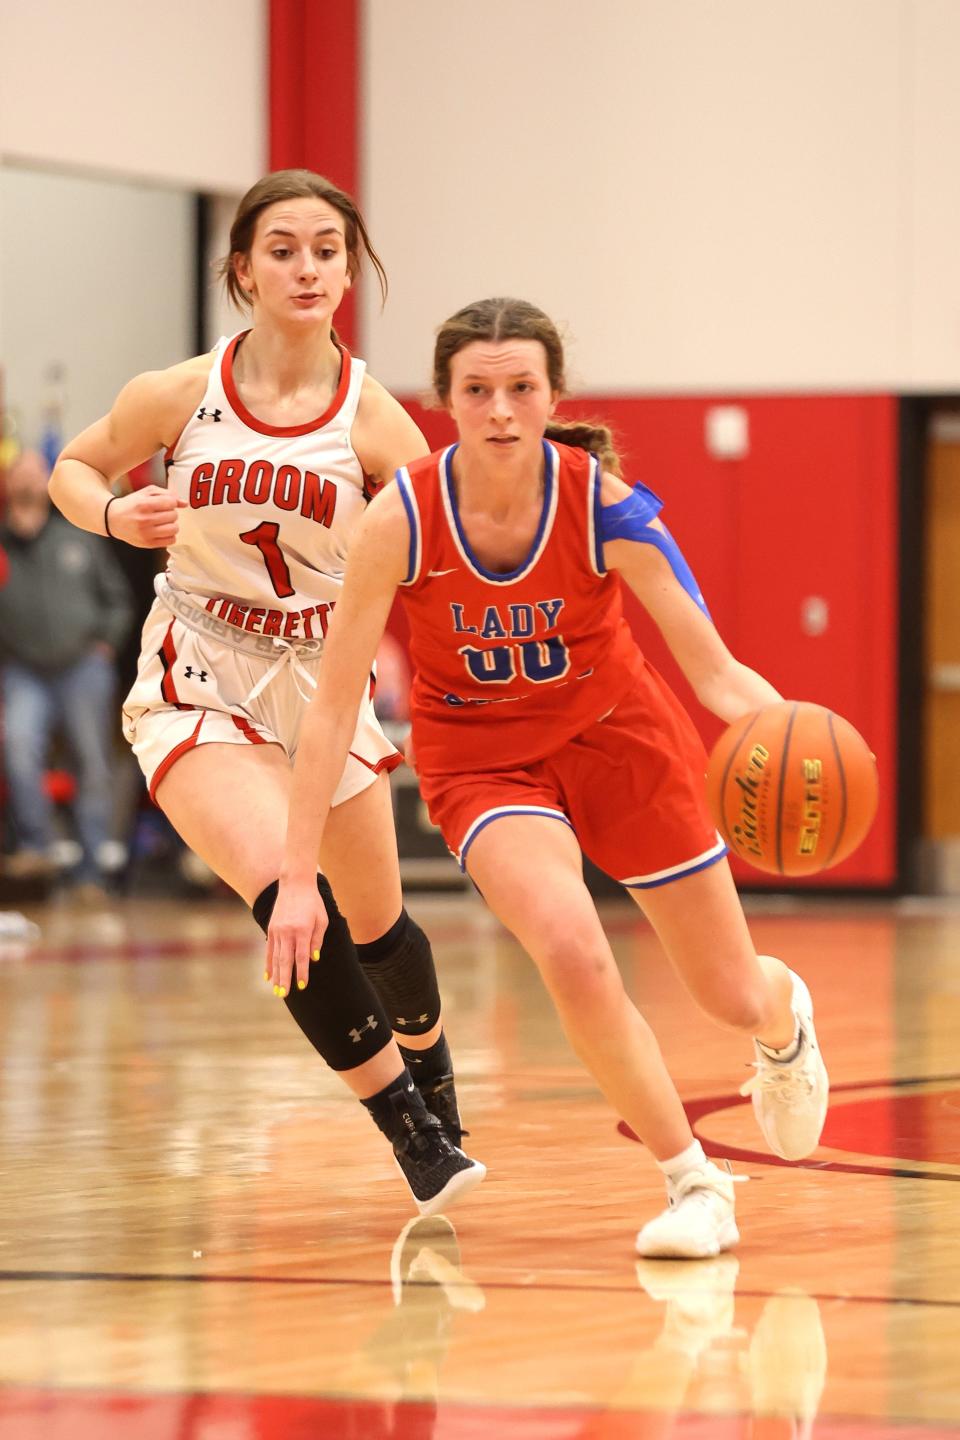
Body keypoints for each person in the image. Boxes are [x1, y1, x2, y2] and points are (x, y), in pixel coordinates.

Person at [267, 296, 830, 1259]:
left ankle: (782, 1026)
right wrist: (291, 877)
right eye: (477, 390)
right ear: (444, 400)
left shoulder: (601, 503)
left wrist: (792, 731)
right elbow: (330, 707)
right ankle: (692, 1180)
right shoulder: (399, 518)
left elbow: (715, 671)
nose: (499, 411)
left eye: (520, 389)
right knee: (570, 948)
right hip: (484, 764)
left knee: (730, 993)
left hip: (623, 742)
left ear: (552, 396)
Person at [48, 169, 484, 1217]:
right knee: (290, 908)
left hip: (319, 683)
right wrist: (114, 517)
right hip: (196, 675)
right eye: (283, 248)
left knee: (382, 932)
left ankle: (438, 1088)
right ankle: (418, 1143)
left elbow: (436, 565)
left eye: (327, 250)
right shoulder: (177, 392)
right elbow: (72, 465)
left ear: (350, 269)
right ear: (241, 267)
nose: (307, 268)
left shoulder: (379, 425)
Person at [0, 448, 134, 897]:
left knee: (92, 761)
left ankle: (93, 870)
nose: (30, 476)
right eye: (20, 470)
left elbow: (118, 599)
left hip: (82, 668)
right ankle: (39, 852)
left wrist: (104, 647)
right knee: (18, 748)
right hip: (22, 672)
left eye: (39, 469)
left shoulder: (78, 537)